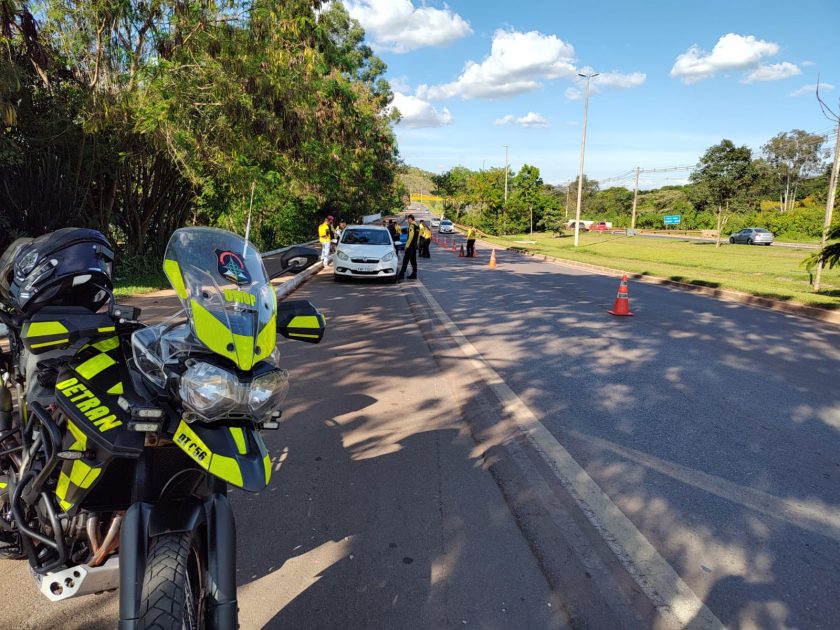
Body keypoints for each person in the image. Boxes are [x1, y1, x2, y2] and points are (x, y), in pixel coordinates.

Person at [396, 214, 419, 280]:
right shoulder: (417, 226)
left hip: (410, 246)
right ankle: (414, 274)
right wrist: (417, 244)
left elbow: (411, 237)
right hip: (414, 246)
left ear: (411, 219)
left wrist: (406, 245)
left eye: (408, 219)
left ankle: (401, 274)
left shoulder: (412, 226)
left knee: (405, 260)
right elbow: (417, 237)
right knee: (413, 261)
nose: (408, 221)